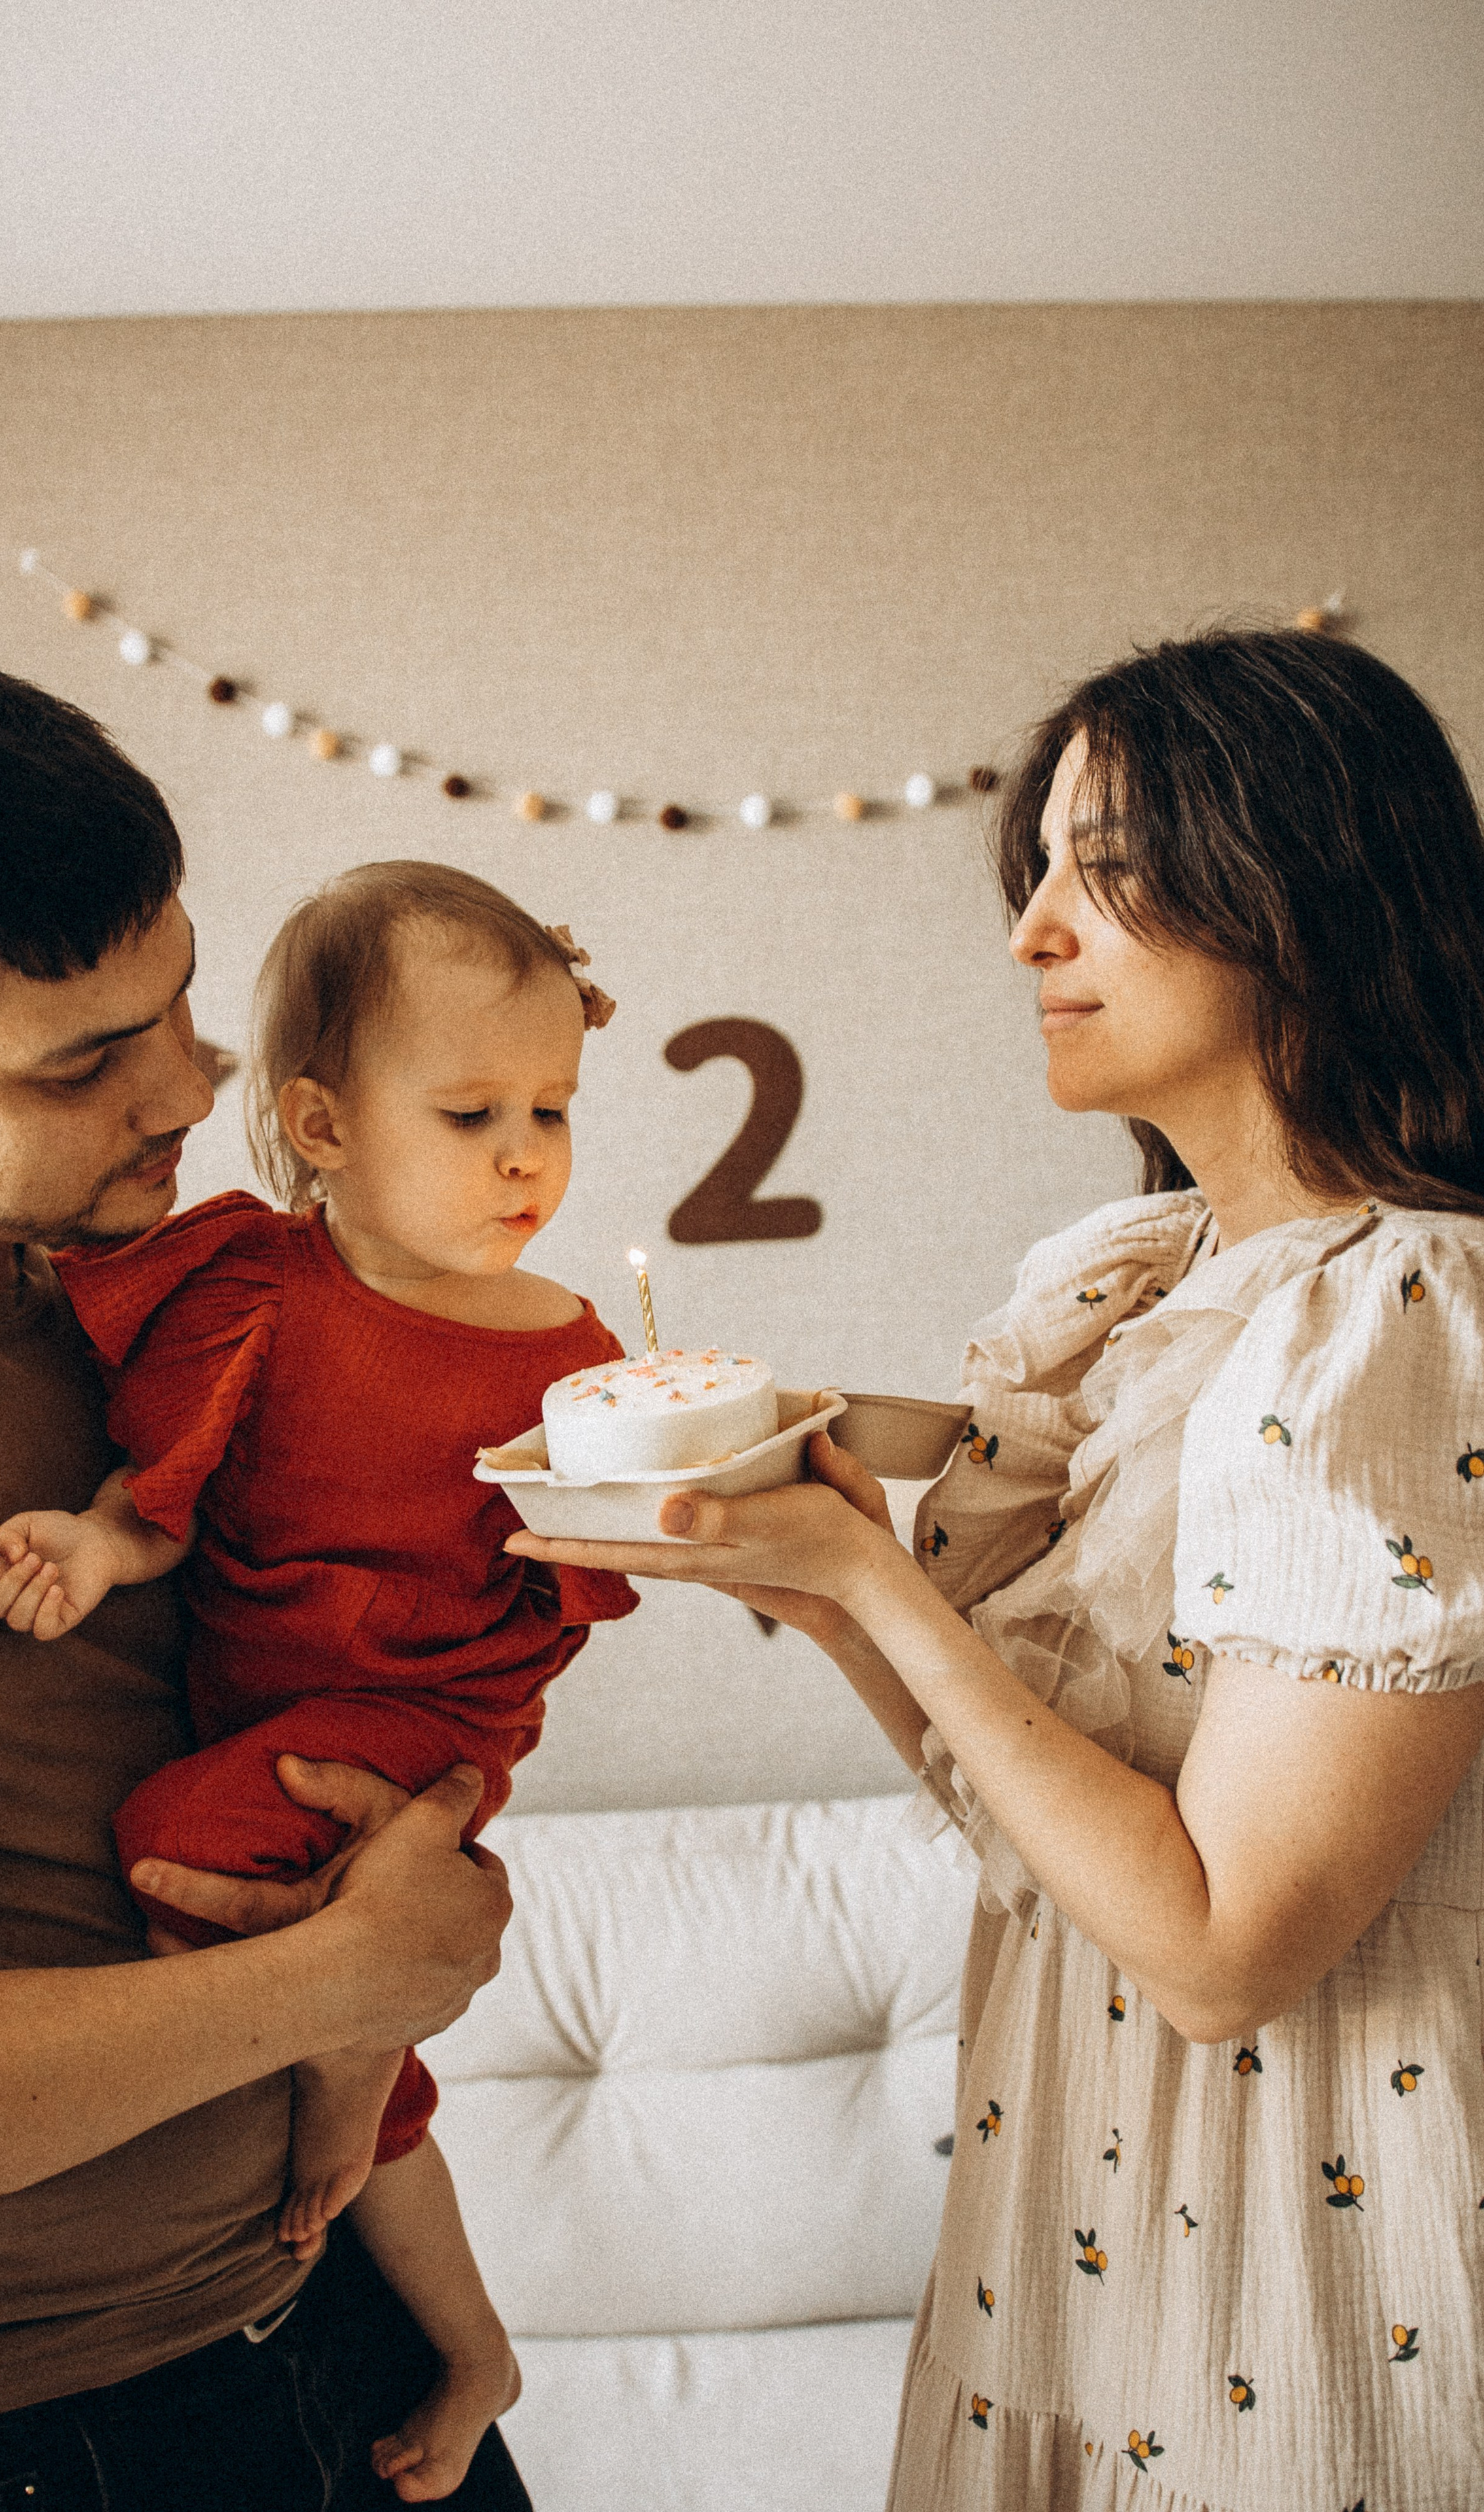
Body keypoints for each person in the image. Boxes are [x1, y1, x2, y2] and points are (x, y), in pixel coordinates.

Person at [507, 628, 1484, 2511]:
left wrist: (877, 1589)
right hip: (1092, 2211)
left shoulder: (1401, 1315)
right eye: (1036, 873)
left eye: (1099, 870)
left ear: (1302, 892)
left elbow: (1221, 1956)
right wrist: (825, 1590)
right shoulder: (1144, 1293)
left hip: (1303, 2243)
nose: (1032, 932)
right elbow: (1051, 1835)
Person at [0, 654, 525, 2512]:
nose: (186, 1088)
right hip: (10, 2435)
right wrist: (346, 1977)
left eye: (180, 1003)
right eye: (78, 1064)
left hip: (341, 2315)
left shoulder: (162, 1276)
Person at [0, 861, 636, 2501]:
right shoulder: (259, 1288)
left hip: (426, 1713)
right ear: (322, 1126)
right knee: (277, 1911)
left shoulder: (565, 1352)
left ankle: (348, 2075)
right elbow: (166, 1486)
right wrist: (98, 1548)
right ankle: (469, 2342)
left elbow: (588, 1572)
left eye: (549, 1108)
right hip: (272, 1697)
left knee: (174, 1843)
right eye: (472, 1113)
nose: (526, 1155)